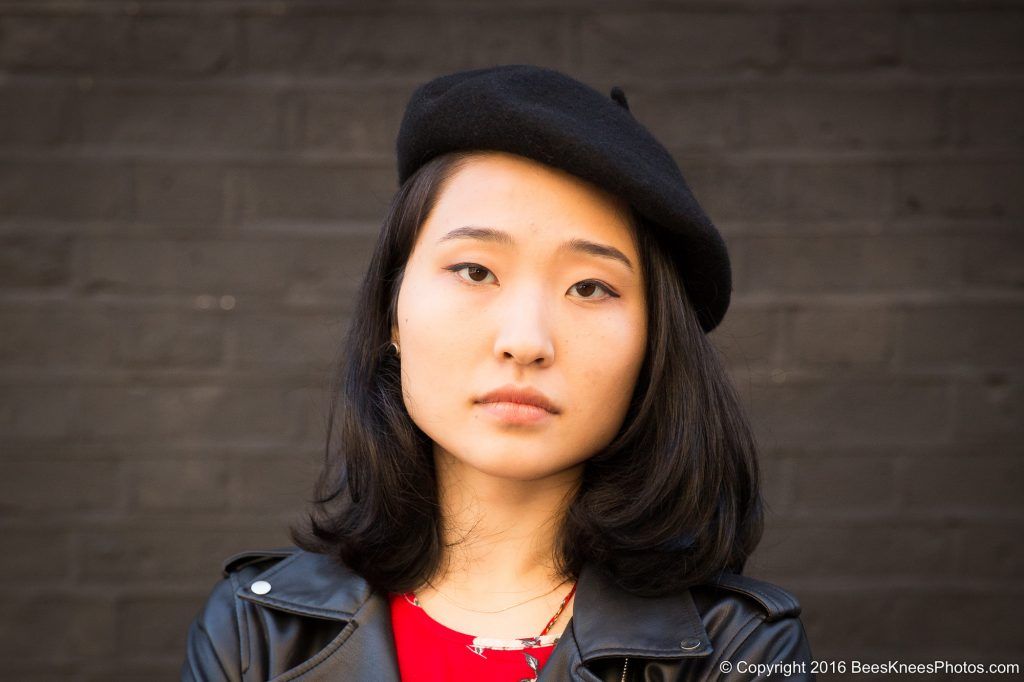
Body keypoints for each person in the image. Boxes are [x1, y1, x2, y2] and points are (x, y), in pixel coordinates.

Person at [181, 64, 815, 681]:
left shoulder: (738, 650)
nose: (525, 341)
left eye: (591, 287)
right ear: (392, 312)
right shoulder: (258, 631)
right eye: (475, 271)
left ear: (653, 346)